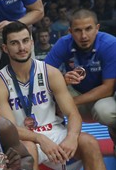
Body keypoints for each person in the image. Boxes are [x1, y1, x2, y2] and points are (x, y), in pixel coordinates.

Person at [0, 21, 116, 170]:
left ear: (32, 41)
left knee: (89, 142)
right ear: (5, 49)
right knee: (28, 147)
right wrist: (39, 138)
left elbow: (73, 113)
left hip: (55, 135)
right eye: (14, 43)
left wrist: (70, 138)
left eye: (25, 41)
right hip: (25, 141)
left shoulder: (50, 73)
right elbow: (7, 129)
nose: (21, 47)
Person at [44, 9, 116, 148]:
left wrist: (70, 102)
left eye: (88, 29)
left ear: (97, 28)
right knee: (47, 94)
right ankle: (56, 141)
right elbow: (42, 74)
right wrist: (63, 80)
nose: (84, 36)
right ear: (70, 32)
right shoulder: (63, 43)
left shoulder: (110, 44)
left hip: (104, 98)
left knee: (104, 112)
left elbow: (107, 88)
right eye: (78, 30)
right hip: (76, 93)